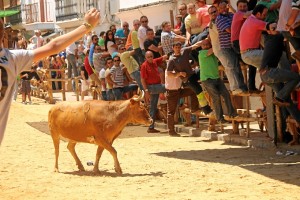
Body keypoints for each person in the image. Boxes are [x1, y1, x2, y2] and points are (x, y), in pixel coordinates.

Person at [0, 8, 100, 145]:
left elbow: (54, 46)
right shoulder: (12, 59)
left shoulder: (13, 58)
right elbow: (53, 46)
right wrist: (86, 26)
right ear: (3, 35)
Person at [168, 41, 213, 115]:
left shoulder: (184, 51)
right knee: (199, 91)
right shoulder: (172, 60)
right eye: (176, 48)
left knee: (203, 70)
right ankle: (207, 110)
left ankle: (211, 84)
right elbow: (169, 74)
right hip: (187, 79)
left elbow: (195, 45)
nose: (178, 49)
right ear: (173, 48)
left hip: (193, 73)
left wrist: (206, 39)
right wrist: (179, 74)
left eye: (179, 47)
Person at [198, 39, 237, 123]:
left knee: (226, 94)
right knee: (216, 98)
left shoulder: (214, 54)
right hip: (207, 80)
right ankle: (220, 118)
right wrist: (217, 40)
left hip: (216, 78)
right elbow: (213, 50)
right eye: (204, 45)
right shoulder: (201, 53)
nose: (205, 46)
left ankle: (231, 113)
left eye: (207, 44)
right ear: (201, 46)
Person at [141, 51, 167, 133]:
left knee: (153, 107)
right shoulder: (144, 66)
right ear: (145, 58)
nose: (150, 58)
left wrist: (171, 53)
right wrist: (146, 91)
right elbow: (143, 80)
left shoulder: (155, 61)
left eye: (151, 56)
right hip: (152, 87)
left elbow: (163, 57)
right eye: (148, 57)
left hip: (156, 86)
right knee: (168, 87)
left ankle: (151, 127)